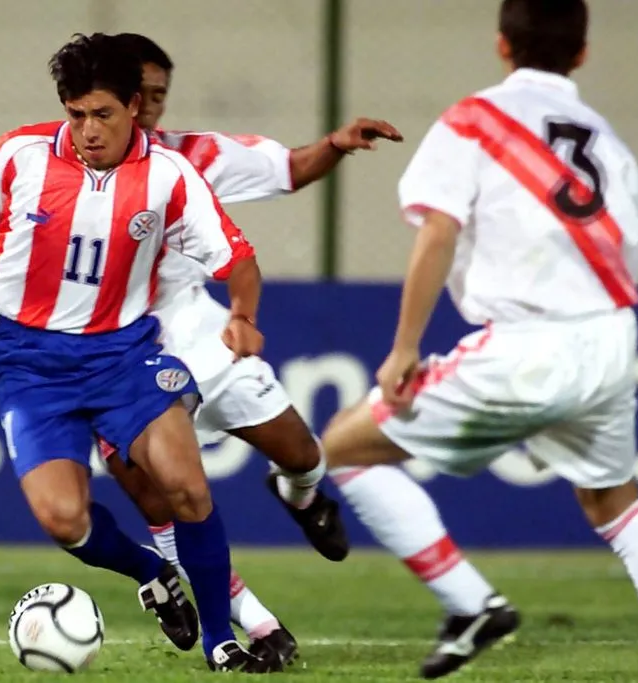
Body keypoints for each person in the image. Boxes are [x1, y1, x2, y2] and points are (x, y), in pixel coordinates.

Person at [321, 1, 638, 681]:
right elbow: (629, 250)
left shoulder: (473, 121)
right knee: (615, 503)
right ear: (584, 52)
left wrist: (404, 347)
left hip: (525, 345)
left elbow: (438, 230)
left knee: (341, 446)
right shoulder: (611, 143)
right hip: (607, 340)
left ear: (502, 43)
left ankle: (470, 601)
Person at [0, 33, 280, 673]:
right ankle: (151, 571)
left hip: (124, 355)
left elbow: (241, 260)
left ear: (136, 106)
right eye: (77, 114)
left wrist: (244, 317)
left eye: (104, 114)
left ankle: (221, 641)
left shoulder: (170, 175)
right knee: (65, 521)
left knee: (187, 486)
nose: (88, 130)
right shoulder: (20, 155)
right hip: (29, 362)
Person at [90, 32, 403, 669]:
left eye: (158, 96)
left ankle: (302, 492)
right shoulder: (63, 173)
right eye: (138, 95)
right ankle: (256, 627)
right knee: (158, 500)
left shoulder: (190, 157)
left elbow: (286, 170)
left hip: (204, 337)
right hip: (119, 357)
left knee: (301, 453)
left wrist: (335, 146)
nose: (150, 107)